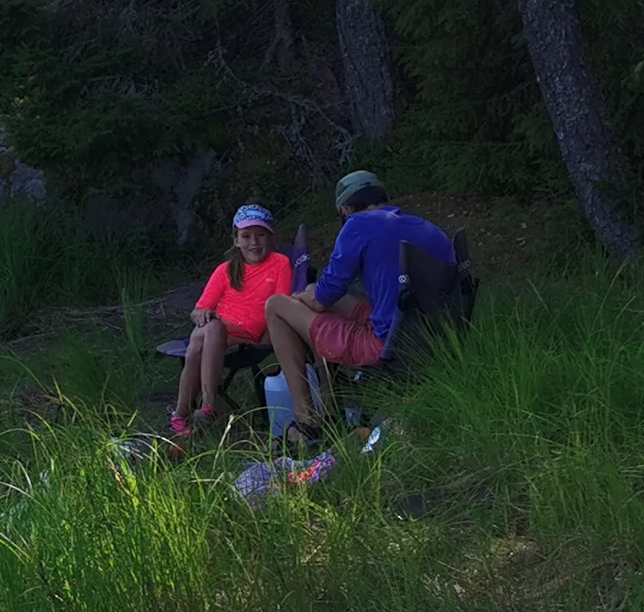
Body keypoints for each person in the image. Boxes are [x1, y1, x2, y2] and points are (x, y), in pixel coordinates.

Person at [263, 170, 454, 442]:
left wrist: (307, 296)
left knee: (276, 306)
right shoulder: (429, 229)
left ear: (345, 209)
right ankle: (330, 403)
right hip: (432, 338)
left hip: (387, 344)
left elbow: (322, 297)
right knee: (322, 297)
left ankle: (307, 423)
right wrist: (312, 294)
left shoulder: (359, 225)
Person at [172, 204, 293, 439]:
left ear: (270, 237)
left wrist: (272, 339)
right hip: (215, 331)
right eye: (246, 236)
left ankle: (182, 414)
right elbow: (199, 309)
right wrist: (201, 316)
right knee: (208, 330)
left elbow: (281, 305)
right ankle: (205, 407)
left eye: (260, 235)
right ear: (236, 240)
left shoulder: (280, 263)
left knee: (200, 342)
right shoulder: (225, 270)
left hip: (247, 337)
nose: (254, 243)